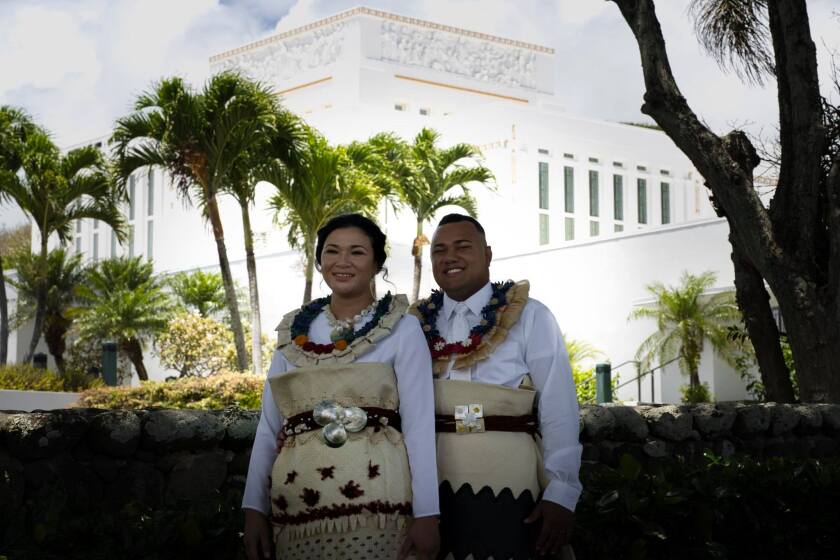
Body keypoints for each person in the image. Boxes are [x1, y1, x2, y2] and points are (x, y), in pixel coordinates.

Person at [243, 213, 440, 560]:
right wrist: (254, 508)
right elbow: (269, 427)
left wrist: (426, 514)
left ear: (377, 262)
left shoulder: (403, 329)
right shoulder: (293, 335)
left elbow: (419, 426)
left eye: (357, 252)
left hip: (380, 506)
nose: (343, 262)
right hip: (299, 505)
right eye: (332, 252)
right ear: (319, 262)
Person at [410, 213, 582, 559]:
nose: (449, 257)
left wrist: (562, 491)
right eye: (439, 250)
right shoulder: (414, 324)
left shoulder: (530, 316)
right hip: (430, 485)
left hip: (510, 479)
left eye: (463, 246)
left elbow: (558, 407)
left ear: (487, 254)